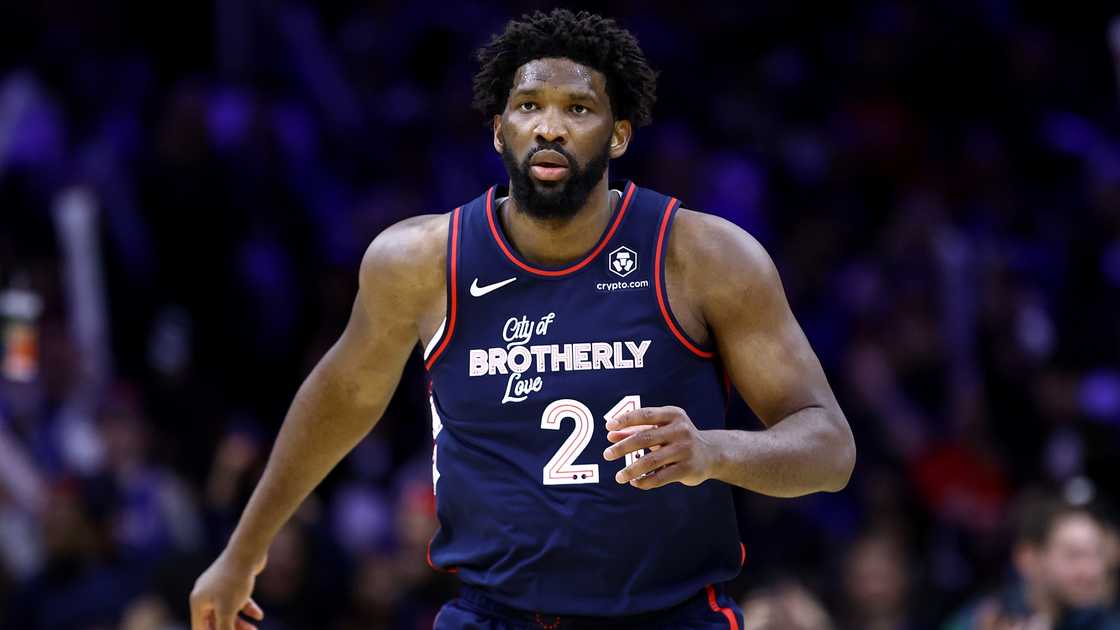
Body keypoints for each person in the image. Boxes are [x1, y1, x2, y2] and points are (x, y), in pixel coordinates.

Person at [189, 9, 855, 630]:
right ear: (498, 128)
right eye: (529, 106)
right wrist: (243, 550)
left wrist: (713, 451)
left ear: (619, 134)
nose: (550, 126)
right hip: (493, 614)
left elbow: (830, 449)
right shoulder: (421, 262)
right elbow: (340, 400)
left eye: (580, 108)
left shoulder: (703, 256)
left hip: (669, 612)